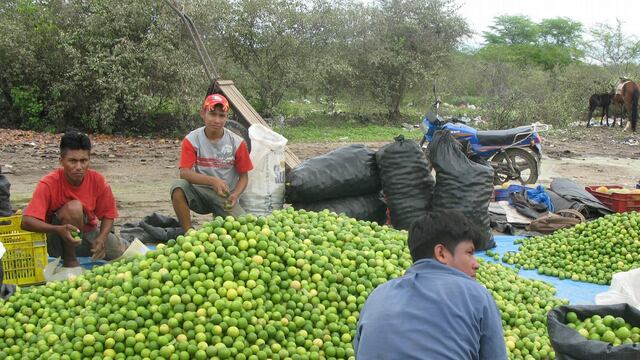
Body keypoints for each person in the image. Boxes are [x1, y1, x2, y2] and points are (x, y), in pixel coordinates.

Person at [353, 210, 507, 360]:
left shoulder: (377, 295)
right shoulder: (476, 295)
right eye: (469, 253)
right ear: (441, 253)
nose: (476, 264)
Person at [21, 132, 128, 267]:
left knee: (121, 252)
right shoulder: (48, 183)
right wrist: (57, 229)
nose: (79, 167)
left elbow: (108, 215)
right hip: (57, 240)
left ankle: (92, 249)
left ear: (89, 160)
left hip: (87, 233)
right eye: (72, 161)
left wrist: (101, 238)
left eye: (83, 161)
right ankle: (70, 261)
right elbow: (26, 221)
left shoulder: (98, 180)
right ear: (62, 161)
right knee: (74, 208)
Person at [171, 93, 253, 232]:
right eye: (212, 114)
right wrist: (213, 181)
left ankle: (220, 217)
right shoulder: (192, 140)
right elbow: (184, 173)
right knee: (178, 187)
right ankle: (188, 233)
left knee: (242, 231)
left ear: (227, 117)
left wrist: (235, 195)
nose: (217, 120)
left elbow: (244, 177)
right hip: (200, 192)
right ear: (203, 113)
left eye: (222, 116)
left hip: (225, 196)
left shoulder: (237, 143)